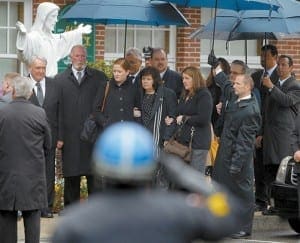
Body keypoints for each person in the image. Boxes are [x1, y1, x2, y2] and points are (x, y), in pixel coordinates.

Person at [52, 122, 242, 243]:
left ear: (99, 165)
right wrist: (187, 175)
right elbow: (229, 214)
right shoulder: (177, 212)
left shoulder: (75, 222)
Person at [211, 62, 261, 238]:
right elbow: (225, 84)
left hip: (238, 159)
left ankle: (244, 227)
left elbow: (245, 143)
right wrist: (216, 67)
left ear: (247, 87)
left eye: (238, 83)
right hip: (224, 154)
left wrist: (236, 164)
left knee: (242, 193)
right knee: (219, 190)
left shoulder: (251, 111)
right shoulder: (235, 96)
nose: (234, 86)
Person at [0, 75, 51, 243]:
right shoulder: (39, 113)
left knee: (6, 218)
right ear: (30, 94)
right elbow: (48, 144)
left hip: (6, 175)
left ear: (12, 92)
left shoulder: (2, 113)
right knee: (32, 220)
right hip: (33, 176)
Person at [55, 44, 107, 208]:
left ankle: (94, 210)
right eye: (77, 56)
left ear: (86, 58)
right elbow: (57, 111)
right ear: (70, 58)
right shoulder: (59, 80)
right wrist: (59, 136)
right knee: (71, 177)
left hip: (92, 136)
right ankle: (71, 211)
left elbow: (105, 105)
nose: (80, 59)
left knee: (94, 176)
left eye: (83, 56)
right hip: (69, 137)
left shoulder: (99, 77)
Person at [261, 54, 300, 214]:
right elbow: (266, 111)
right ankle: (271, 204)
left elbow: (286, 101)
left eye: (284, 65)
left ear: (291, 68)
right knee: (269, 170)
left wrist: (271, 87)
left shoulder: (295, 86)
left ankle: (284, 205)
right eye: (279, 65)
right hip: (270, 135)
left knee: (281, 169)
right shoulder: (274, 83)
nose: (280, 68)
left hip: (285, 136)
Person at [27, 56, 63, 218]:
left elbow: (61, 112)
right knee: (29, 172)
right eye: (38, 68)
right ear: (30, 68)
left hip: (50, 137)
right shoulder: (22, 85)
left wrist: (60, 137)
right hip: (27, 139)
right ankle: (29, 206)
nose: (41, 71)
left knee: (48, 172)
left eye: (43, 68)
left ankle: (46, 207)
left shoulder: (54, 85)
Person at [16, 2, 92, 77]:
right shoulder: (34, 38)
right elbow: (24, 55)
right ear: (43, 17)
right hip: (36, 85)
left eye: (56, 17)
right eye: (53, 16)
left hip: (52, 83)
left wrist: (78, 31)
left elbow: (65, 38)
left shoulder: (53, 39)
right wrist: (23, 37)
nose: (56, 20)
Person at [139, 66, 177, 187]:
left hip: (160, 140)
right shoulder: (139, 95)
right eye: (143, 79)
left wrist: (167, 138)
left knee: (160, 177)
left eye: (148, 79)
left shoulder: (167, 94)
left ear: (155, 80)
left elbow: (173, 117)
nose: (145, 81)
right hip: (142, 141)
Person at [176, 66, 213, 174]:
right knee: (184, 179)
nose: (184, 81)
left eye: (187, 78)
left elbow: (204, 119)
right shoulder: (185, 94)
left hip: (198, 144)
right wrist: (172, 118)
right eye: (183, 78)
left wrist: (184, 118)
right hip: (184, 144)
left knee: (195, 179)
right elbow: (179, 112)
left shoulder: (204, 94)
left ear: (195, 78)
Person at [94, 57, 141, 130]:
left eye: (119, 71)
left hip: (128, 132)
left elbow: (139, 110)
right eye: (114, 71)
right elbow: (96, 109)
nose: (116, 74)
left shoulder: (134, 88)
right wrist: (105, 123)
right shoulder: (105, 86)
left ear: (127, 72)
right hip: (109, 132)